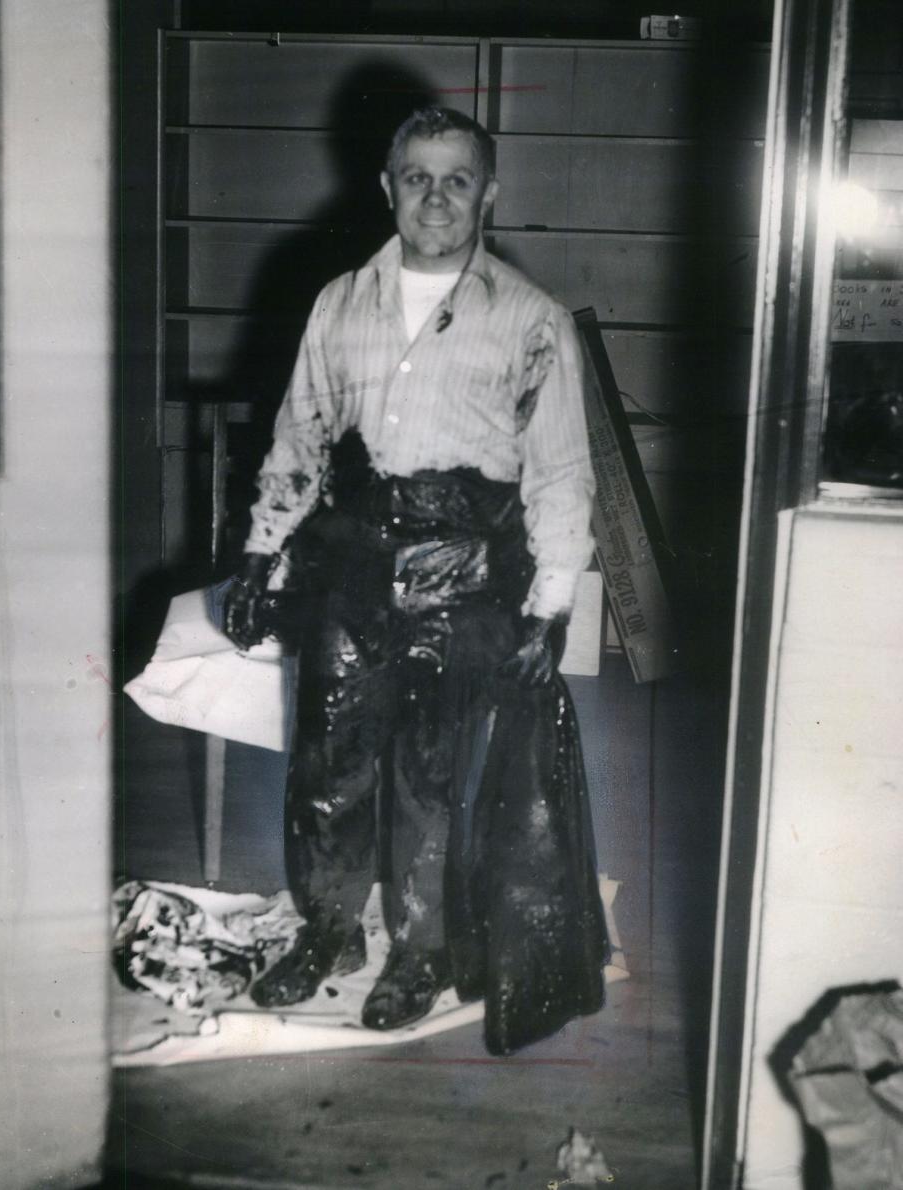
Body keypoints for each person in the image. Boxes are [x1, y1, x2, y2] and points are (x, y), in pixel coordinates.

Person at [224, 106, 598, 1035]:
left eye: (458, 178)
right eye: (418, 178)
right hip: (351, 561)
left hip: (464, 569)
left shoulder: (531, 320)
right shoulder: (338, 302)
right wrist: (261, 554)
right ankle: (326, 928)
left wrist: (550, 608)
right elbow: (300, 433)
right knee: (330, 756)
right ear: (387, 188)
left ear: (489, 194)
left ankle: (422, 949)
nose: (437, 196)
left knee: (430, 775)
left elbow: (559, 474)